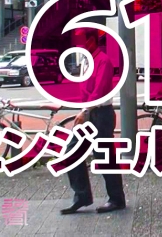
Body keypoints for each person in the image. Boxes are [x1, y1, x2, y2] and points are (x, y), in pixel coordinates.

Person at [60, 29, 126, 215]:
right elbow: (86, 91)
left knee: (104, 156)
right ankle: (82, 196)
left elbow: (99, 91)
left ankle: (116, 199)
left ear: (91, 41)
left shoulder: (103, 61)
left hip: (101, 114)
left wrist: (85, 111)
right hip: (89, 113)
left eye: (80, 41)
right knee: (71, 151)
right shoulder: (85, 61)